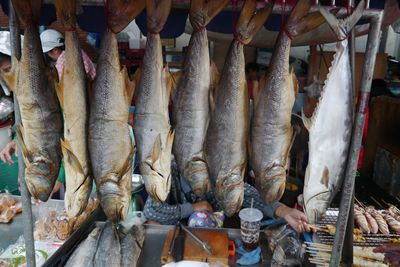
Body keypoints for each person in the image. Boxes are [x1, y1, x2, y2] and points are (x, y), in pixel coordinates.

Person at [144, 159, 311, 233]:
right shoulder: (167, 172)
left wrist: (285, 211)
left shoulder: (216, 174)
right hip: (174, 236)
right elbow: (151, 211)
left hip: (208, 235)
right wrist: (192, 208)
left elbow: (249, 194)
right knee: (152, 222)